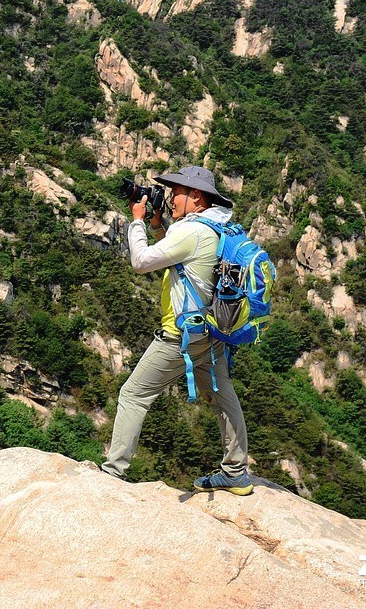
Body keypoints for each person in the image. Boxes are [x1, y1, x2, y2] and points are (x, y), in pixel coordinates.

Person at [100, 165, 253, 495]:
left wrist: (137, 221)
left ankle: (113, 472)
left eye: (176, 193)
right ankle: (235, 472)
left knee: (133, 395)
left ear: (196, 197)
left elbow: (142, 262)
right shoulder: (214, 227)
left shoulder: (192, 231)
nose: (170, 199)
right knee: (223, 399)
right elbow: (180, 259)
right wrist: (158, 225)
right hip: (212, 333)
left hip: (181, 336)